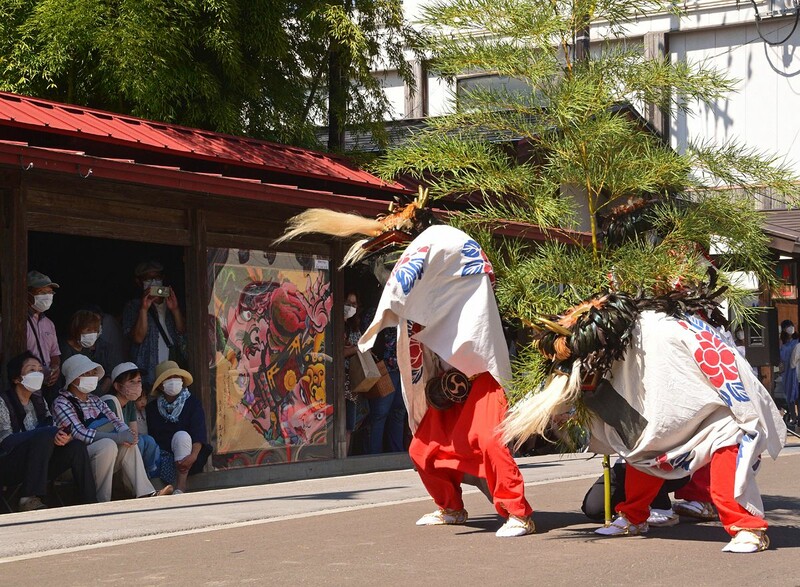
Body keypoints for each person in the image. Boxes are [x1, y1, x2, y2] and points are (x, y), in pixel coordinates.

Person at [276, 201, 535, 537]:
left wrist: (381, 315)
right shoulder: (431, 274)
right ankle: (451, 507)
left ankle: (519, 514)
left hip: (481, 373)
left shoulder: (446, 240)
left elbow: (404, 279)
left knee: (489, 441)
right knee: (422, 449)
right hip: (449, 382)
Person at [52, 354, 173, 502]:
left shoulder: (95, 400)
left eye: (92, 374)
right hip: (76, 460)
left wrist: (126, 434)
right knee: (108, 444)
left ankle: (145, 493)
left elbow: (115, 421)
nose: (91, 377)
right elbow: (78, 433)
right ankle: (102, 500)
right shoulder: (62, 403)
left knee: (128, 445)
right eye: (85, 374)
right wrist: (116, 437)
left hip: (102, 456)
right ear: (73, 378)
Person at [0, 352, 97, 510]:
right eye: (32, 370)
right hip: (10, 464)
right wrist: (44, 433)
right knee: (45, 434)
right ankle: (28, 498)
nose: (38, 374)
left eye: (40, 370)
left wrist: (63, 437)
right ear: (17, 379)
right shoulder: (3, 401)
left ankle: (89, 501)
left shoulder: (39, 401)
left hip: (40, 463)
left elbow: (50, 428)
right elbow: (5, 442)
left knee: (76, 446)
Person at [146, 361, 211, 494]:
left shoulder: (192, 403)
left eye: (176, 377)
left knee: (182, 436)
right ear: (160, 386)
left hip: (189, 456)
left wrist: (192, 456)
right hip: (163, 458)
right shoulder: (152, 409)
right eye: (169, 378)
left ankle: (181, 487)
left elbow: (199, 433)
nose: (173, 381)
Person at [122, 261, 185, 390]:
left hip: (171, 371)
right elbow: (138, 338)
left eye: (157, 278)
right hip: (147, 373)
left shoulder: (170, 303)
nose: (153, 282)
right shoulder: (133, 306)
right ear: (139, 282)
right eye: (148, 279)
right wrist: (144, 309)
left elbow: (182, 332)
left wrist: (175, 309)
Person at [102, 362, 160, 479]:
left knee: (148, 440)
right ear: (118, 386)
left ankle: (147, 476)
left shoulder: (130, 404)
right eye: (131, 382)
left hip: (127, 441)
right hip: (113, 448)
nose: (137, 385)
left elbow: (134, 431)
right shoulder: (110, 403)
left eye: (139, 381)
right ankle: (133, 481)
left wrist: (133, 438)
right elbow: (108, 434)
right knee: (140, 443)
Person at [365, 327, 406, 454]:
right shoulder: (376, 315)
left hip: (403, 371)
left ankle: (396, 450)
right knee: (380, 413)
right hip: (384, 369)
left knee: (399, 412)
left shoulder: (405, 317)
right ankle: (374, 452)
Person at [26, 270, 61, 405]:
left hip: (46, 386)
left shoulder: (49, 324)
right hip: (26, 385)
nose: (47, 296)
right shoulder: (16, 323)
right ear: (27, 294)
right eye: (41, 292)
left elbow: (55, 353)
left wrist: (55, 368)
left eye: (50, 292)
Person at [59, 310, 113, 394]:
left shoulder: (85, 350)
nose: (92, 334)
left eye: (95, 331)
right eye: (88, 330)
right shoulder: (64, 350)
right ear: (76, 328)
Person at [343, 292, 369, 454]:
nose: (351, 307)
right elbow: (339, 351)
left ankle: (345, 455)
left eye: (354, 304)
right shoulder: (335, 325)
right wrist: (355, 348)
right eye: (348, 303)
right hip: (340, 380)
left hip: (352, 381)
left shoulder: (354, 326)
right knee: (343, 422)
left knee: (350, 424)